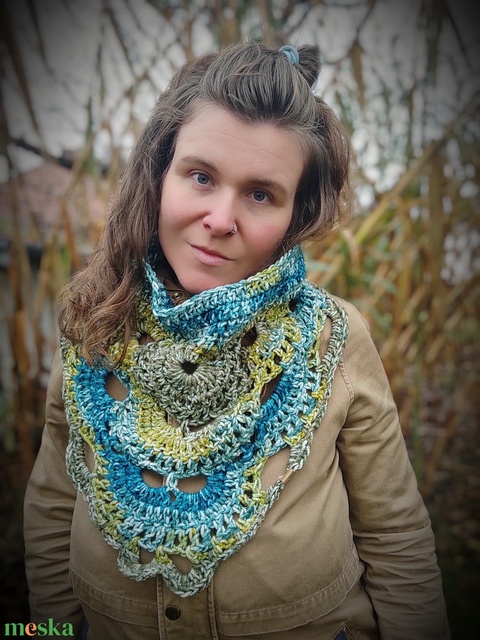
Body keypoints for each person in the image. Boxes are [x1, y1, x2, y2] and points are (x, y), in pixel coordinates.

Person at [24, 40, 450, 640]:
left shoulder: (333, 339)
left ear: (296, 215)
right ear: (158, 173)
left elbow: (396, 537)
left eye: (260, 194)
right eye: (201, 177)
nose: (221, 220)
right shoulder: (91, 323)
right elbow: (52, 507)